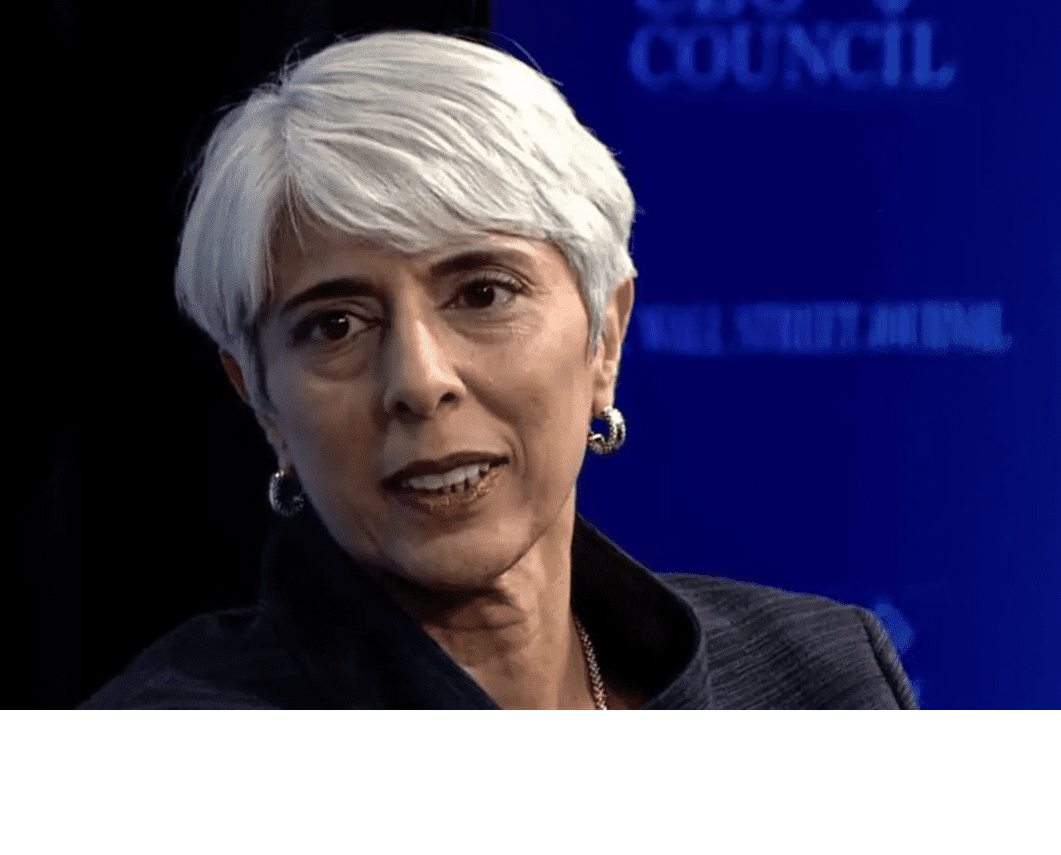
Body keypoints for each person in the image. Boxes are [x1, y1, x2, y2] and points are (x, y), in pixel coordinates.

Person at [80, 29, 918, 709]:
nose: (420, 380)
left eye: (483, 293)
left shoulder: (823, 678)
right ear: (263, 402)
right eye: (335, 325)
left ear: (604, 338)